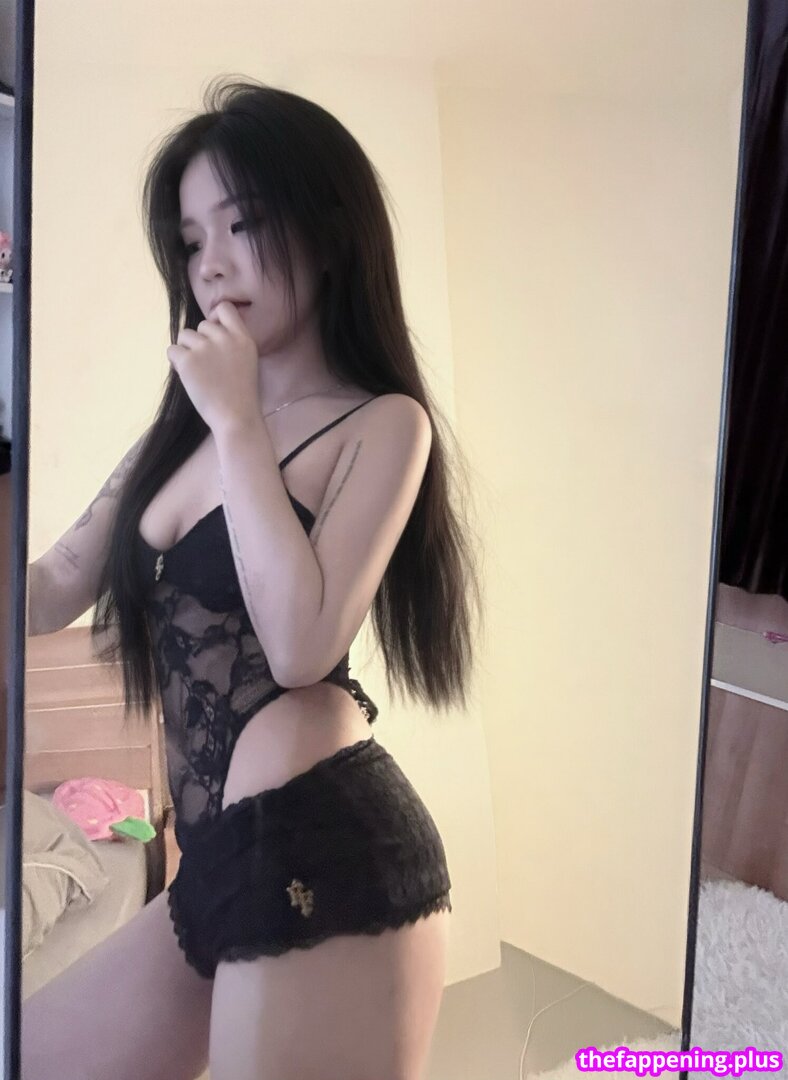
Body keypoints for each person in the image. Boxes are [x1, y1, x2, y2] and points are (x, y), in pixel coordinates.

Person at [22, 75, 480, 1080]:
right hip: (219, 861)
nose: (211, 266)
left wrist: (236, 419)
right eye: (191, 242)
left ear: (327, 229)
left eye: (242, 224)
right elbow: (51, 584)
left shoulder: (379, 425)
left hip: (328, 839)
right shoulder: (178, 434)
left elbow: (301, 643)